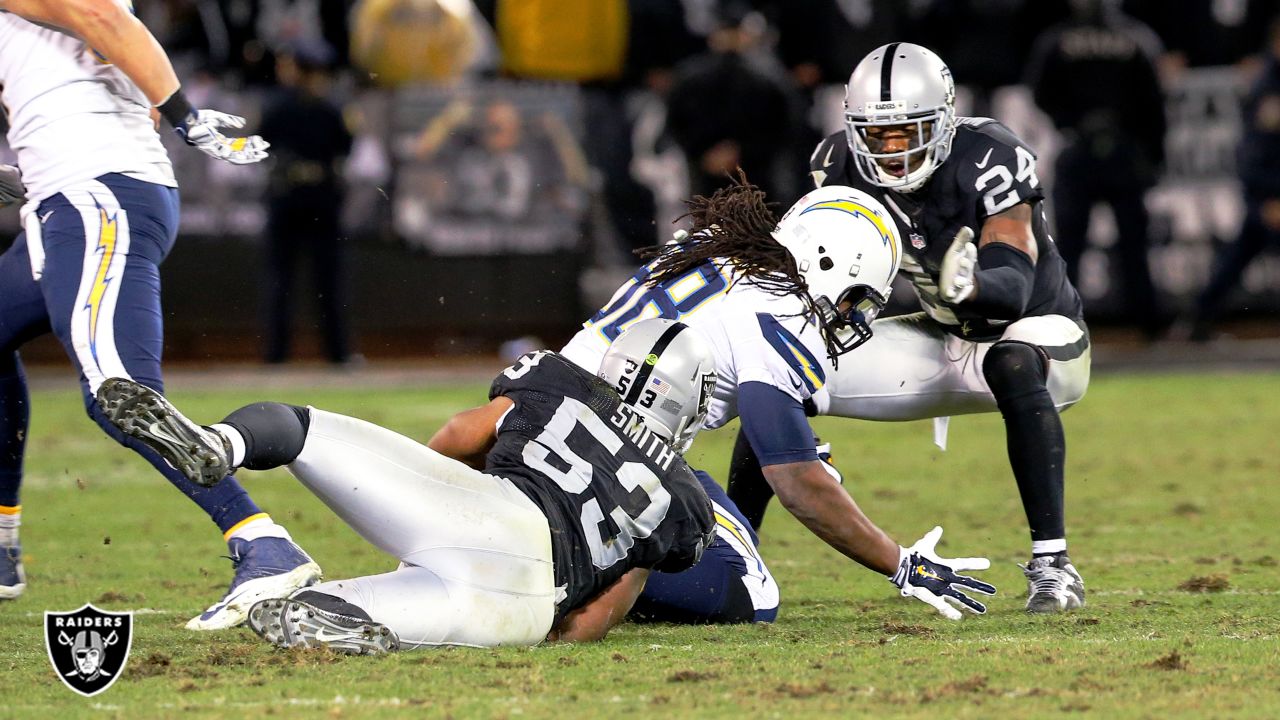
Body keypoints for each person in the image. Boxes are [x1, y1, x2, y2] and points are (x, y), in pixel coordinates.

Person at [97, 319, 720, 652]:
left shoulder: (562, 379)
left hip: (493, 516)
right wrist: (551, 630)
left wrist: (425, 499)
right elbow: (601, 611)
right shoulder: (685, 500)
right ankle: (340, 609)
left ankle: (220, 445)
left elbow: (459, 434)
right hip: (526, 608)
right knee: (320, 614)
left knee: (297, 428)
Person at [0, 0, 319, 627]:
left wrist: (184, 116)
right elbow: (89, 66)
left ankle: (261, 541)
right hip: (66, 199)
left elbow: (100, 17)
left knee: (120, 394)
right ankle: (2, 543)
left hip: (96, 195)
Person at [561, 179, 998, 622]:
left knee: (727, 520)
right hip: (614, 462)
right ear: (832, 266)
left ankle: (599, 545)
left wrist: (793, 447)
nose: (853, 315)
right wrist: (902, 564)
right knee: (754, 593)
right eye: (856, 299)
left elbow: (765, 418)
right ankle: (584, 564)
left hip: (550, 410)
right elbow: (795, 480)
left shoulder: (718, 246)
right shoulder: (785, 311)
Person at [758, 42, 1091, 613]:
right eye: (877, 134)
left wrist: (977, 285)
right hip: (940, 336)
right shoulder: (835, 165)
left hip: (1038, 336)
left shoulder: (990, 157)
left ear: (943, 119)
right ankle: (742, 548)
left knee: (1008, 360)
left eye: (907, 132)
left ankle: (1054, 566)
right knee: (781, 373)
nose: (891, 151)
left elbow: (1012, 281)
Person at [1025, 0, 1169, 339]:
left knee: (1071, 248)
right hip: (1122, 151)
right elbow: (1155, 100)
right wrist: (1153, 155)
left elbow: (1039, 93)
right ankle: (1148, 328)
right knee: (1130, 246)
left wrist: (1072, 122)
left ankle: (1062, 327)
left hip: (1081, 150)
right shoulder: (1136, 36)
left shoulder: (1057, 39)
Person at [258, 38, 356, 365]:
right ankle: (276, 356)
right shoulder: (280, 105)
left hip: (320, 198)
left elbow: (346, 149)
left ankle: (338, 354)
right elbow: (262, 144)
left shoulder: (331, 108)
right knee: (281, 282)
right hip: (289, 196)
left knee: (327, 280)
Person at [1183, 18, 1280, 341]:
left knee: (1239, 255)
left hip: (1268, 191)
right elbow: (1256, 150)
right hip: (1270, 193)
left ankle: (1199, 318)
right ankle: (1197, 319)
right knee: (1240, 254)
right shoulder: (1267, 86)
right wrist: (1266, 196)